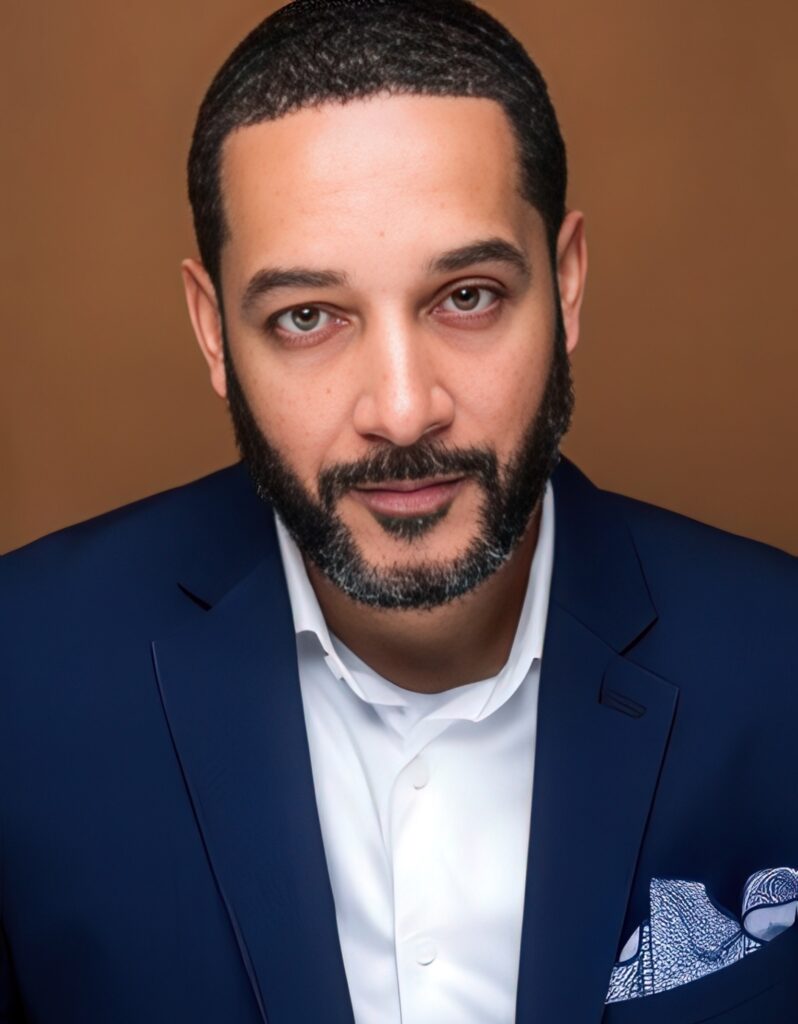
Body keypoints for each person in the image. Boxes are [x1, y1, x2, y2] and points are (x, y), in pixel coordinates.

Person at [1, 0, 796, 1021]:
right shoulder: (19, 682)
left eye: (466, 295)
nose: (404, 408)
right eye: (306, 317)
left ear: (566, 282)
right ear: (212, 333)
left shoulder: (783, 661)